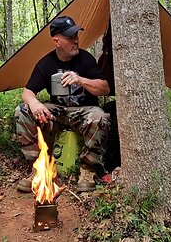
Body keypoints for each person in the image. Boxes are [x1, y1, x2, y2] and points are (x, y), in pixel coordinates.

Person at [14, 16, 111, 193]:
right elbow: (27, 92)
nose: (75, 40)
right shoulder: (46, 63)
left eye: (76, 35)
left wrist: (81, 80)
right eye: (69, 37)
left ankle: (87, 169)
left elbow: (104, 88)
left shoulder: (86, 59)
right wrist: (34, 103)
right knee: (22, 110)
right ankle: (39, 168)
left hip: (84, 111)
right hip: (56, 113)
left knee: (101, 117)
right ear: (56, 41)